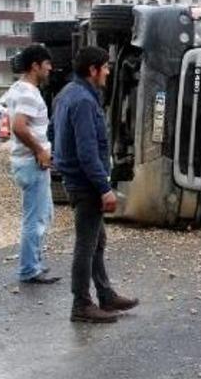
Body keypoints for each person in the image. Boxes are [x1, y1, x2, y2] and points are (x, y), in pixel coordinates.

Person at [53, 46, 138, 323]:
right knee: (86, 244)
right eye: (105, 67)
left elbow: (52, 132)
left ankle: (105, 294)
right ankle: (81, 304)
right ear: (93, 70)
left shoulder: (67, 94)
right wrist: (103, 188)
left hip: (75, 180)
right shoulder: (85, 102)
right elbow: (88, 151)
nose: (109, 71)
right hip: (86, 184)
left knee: (97, 239)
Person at [6, 45, 60, 285]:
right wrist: (39, 150)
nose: (50, 68)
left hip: (25, 161)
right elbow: (19, 126)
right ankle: (29, 269)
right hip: (32, 163)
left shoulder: (16, 89)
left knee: (43, 214)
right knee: (35, 219)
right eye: (47, 64)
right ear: (35, 66)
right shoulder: (29, 93)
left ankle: (34, 263)